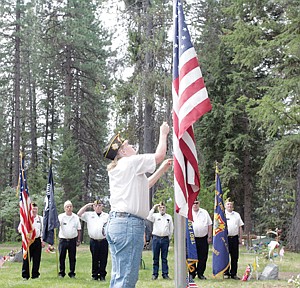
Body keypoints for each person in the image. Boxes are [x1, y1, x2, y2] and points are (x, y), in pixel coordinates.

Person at [103, 121, 171, 288]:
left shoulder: (120, 167)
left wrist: (161, 170)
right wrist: (163, 133)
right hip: (128, 224)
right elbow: (159, 154)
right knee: (127, 278)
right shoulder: (130, 162)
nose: (133, 146)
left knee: (119, 275)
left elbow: (144, 185)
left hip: (117, 223)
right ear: (122, 151)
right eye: (129, 145)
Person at [77, 199, 109, 281]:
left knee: (103, 259)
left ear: (102, 206)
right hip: (94, 240)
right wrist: (87, 205)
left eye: (99, 205)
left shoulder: (107, 216)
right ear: (93, 207)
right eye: (96, 205)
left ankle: (102, 275)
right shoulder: (89, 215)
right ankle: (94, 275)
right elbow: (79, 214)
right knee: (94, 258)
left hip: (103, 240)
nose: (98, 207)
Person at [147, 202, 174, 280]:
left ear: (165, 208)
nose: (162, 209)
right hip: (156, 238)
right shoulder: (155, 216)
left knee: (164, 258)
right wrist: (154, 207)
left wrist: (169, 237)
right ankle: (155, 274)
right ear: (159, 208)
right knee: (155, 257)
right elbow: (148, 217)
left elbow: (171, 228)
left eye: (163, 207)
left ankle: (165, 274)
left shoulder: (169, 217)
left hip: (165, 239)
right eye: (161, 207)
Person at [19, 202, 44, 280]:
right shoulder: (26, 219)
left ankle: (35, 275)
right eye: (33, 209)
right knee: (26, 259)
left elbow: (43, 230)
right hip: (28, 241)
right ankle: (25, 275)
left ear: (37, 210)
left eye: (36, 209)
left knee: (37, 259)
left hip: (37, 240)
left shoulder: (40, 219)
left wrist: (42, 240)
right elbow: (20, 228)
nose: (34, 211)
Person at [189, 199, 212, 280]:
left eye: (196, 203)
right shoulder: (188, 212)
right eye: (193, 203)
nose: (195, 205)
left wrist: (209, 236)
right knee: (191, 256)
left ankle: (200, 273)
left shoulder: (204, 212)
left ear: (199, 203)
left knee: (203, 257)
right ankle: (192, 273)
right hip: (192, 239)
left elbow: (209, 225)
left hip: (203, 238)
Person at [58, 200, 81, 278]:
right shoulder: (60, 217)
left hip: (72, 240)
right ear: (64, 208)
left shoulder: (76, 217)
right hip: (63, 240)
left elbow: (79, 229)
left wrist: (78, 240)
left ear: (72, 207)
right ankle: (61, 273)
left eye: (70, 206)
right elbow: (55, 226)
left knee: (72, 257)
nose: (69, 208)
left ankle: (72, 273)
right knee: (62, 257)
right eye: (67, 206)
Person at [224, 198, 244, 280]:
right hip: (225, 239)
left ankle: (233, 273)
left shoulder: (237, 215)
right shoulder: (222, 215)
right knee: (225, 256)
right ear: (225, 206)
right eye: (228, 204)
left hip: (234, 238)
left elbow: (240, 227)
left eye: (231, 204)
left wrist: (240, 238)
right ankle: (226, 273)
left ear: (233, 206)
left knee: (235, 257)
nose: (229, 206)